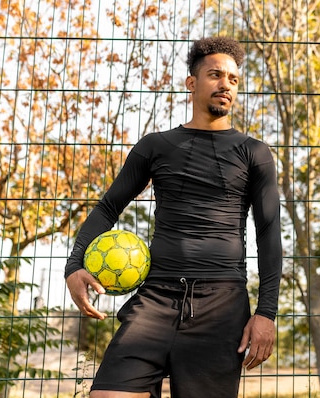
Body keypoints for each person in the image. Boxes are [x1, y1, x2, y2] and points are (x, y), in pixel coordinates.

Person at [64, 37, 283, 398]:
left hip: (221, 305)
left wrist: (267, 313)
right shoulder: (156, 146)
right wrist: (74, 266)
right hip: (156, 298)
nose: (225, 84)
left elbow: (269, 233)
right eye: (215, 74)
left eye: (233, 79)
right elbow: (108, 207)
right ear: (191, 83)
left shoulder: (254, 153)